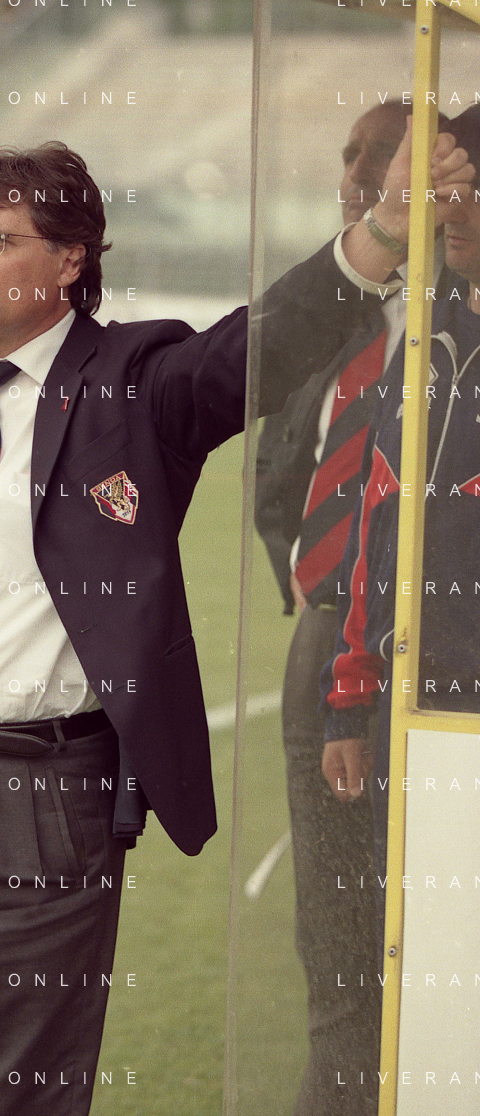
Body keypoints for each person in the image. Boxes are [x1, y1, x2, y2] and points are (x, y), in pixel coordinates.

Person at [0, 140, 470, 1116]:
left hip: (33, 795)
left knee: (19, 1095)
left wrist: (386, 228)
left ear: (70, 259)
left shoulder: (135, 384)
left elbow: (260, 345)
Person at [255, 101, 436, 1116]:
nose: (358, 175)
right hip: (326, 648)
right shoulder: (328, 321)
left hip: (438, 650)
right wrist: (312, 585)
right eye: (352, 156)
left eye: (384, 157)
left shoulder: (453, 324)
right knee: (336, 936)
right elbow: (275, 472)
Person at [321, 107, 480, 926]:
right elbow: (373, 528)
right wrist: (350, 698)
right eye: (450, 189)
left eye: (476, 191)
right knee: (419, 950)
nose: (458, 209)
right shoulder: (426, 336)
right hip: (407, 710)